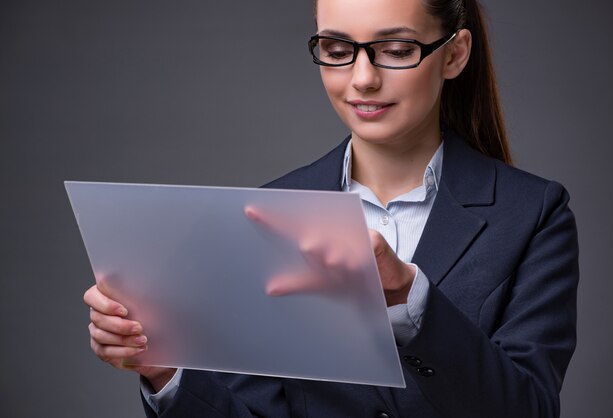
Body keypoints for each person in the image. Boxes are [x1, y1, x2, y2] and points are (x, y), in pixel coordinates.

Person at [83, 0, 579, 416]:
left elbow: (529, 408)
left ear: (455, 54)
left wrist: (411, 299)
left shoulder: (533, 213)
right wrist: (164, 371)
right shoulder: (269, 215)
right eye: (338, 51)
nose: (361, 79)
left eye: (396, 50)